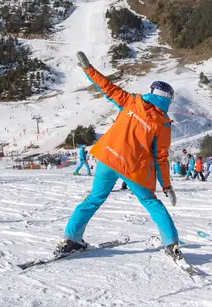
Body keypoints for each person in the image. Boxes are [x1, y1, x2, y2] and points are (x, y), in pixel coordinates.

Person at [57, 51, 181, 260]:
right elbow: (160, 158)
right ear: (168, 100)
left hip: (107, 159)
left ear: (152, 92)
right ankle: (172, 244)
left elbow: (108, 88)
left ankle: (70, 240)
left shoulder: (133, 102)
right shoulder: (164, 124)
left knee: (93, 199)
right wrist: (166, 185)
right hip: (132, 169)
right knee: (151, 202)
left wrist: (89, 69)